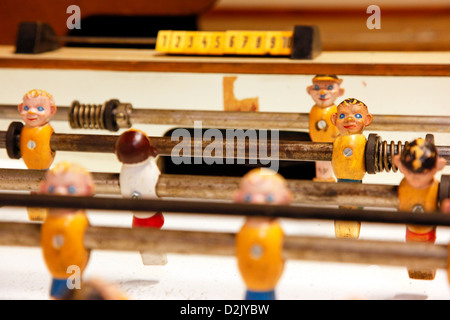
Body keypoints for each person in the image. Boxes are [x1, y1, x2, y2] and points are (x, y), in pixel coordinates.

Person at [39, 162, 95, 299]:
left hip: (73, 268)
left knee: (73, 292)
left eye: (70, 189)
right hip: (57, 269)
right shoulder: (51, 220)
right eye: (52, 189)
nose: (59, 192)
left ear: (87, 190)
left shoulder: (77, 221)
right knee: (58, 292)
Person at [234, 168, 292, 300]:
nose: (257, 202)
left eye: (268, 198)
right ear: (238, 197)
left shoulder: (273, 231)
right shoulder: (245, 231)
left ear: (284, 198)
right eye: (249, 197)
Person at [393, 137, 446, 280]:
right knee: (412, 252)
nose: (416, 178)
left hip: (427, 233)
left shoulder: (436, 188)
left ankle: (426, 268)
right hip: (410, 232)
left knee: (427, 254)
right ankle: (415, 267)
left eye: (423, 173)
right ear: (400, 165)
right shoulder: (404, 186)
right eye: (411, 173)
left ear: (438, 166)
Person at [330, 98, 373, 239]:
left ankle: (352, 236)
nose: (349, 119)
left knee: (354, 206)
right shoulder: (338, 140)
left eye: (357, 116)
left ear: (367, 120)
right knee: (343, 205)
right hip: (341, 181)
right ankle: (343, 236)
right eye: (342, 116)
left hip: (356, 182)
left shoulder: (361, 141)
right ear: (334, 119)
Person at [18, 89, 57, 221]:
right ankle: (36, 214)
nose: (31, 112)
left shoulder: (46, 131)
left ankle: (43, 213)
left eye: (40, 108)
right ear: (20, 108)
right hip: (31, 167)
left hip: (43, 167)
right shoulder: (24, 130)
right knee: (35, 188)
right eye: (26, 107)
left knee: (42, 186)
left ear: (51, 111)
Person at [307, 75, 345, 181]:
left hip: (331, 143)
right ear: (309, 90)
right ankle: (322, 180)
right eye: (317, 88)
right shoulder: (314, 110)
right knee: (319, 162)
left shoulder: (334, 110)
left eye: (329, 88)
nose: (322, 92)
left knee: (327, 161)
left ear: (340, 92)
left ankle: (326, 180)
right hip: (315, 141)